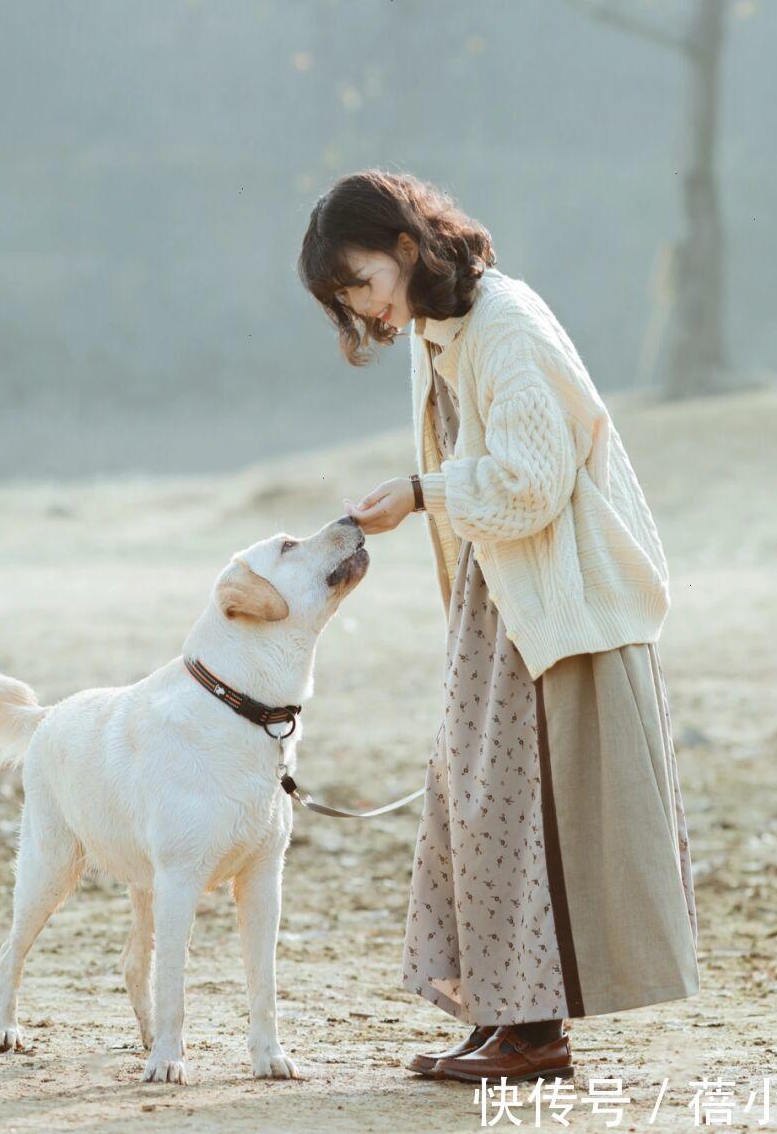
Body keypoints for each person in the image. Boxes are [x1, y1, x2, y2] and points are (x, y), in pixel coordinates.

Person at [297, 168, 699, 1085]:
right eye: (341, 297)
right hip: (501, 591)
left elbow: (528, 481)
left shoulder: (505, 325)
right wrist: (424, 498)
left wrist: (420, 493)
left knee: (530, 808)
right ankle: (505, 1016)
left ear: (405, 246)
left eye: (358, 281)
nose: (360, 307)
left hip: (555, 600)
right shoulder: (439, 332)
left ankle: (535, 1032)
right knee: (484, 801)